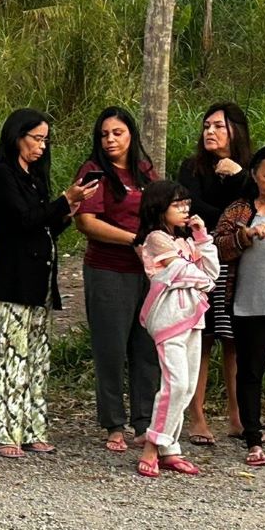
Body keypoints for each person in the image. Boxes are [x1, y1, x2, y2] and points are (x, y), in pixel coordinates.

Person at [0, 109, 97, 459]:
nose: (42, 146)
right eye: (37, 138)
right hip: (14, 280)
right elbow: (20, 221)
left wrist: (67, 212)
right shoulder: (1, 175)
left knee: (36, 358)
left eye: (46, 140)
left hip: (41, 282)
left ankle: (33, 428)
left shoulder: (35, 176)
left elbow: (43, 227)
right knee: (11, 358)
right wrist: (64, 200)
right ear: (18, 136)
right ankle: (7, 431)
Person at [74, 106, 159, 453]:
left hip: (149, 273)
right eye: (104, 134)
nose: (110, 140)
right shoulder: (94, 172)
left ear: (131, 135)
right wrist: (133, 240)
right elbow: (87, 222)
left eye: (117, 133)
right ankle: (113, 424)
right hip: (108, 270)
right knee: (110, 348)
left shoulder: (144, 171)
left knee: (146, 347)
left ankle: (145, 421)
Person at [177, 103, 253, 445]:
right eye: (207, 125)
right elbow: (191, 207)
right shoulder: (191, 168)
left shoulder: (249, 170)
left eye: (219, 126)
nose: (210, 132)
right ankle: (197, 416)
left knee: (234, 341)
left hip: (239, 264)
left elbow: (254, 208)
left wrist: (238, 175)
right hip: (200, 260)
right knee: (202, 339)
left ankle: (237, 417)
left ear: (235, 131)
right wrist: (228, 217)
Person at [133, 180, 219, 478]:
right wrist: (203, 281)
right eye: (177, 205)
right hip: (170, 318)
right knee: (176, 383)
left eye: (186, 204)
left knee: (188, 385)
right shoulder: (156, 238)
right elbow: (180, 271)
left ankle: (170, 448)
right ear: (160, 208)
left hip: (193, 316)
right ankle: (152, 444)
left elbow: (211, 271)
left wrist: (202, 236)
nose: (185, 210)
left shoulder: (185, 241)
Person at [213, 143, 265, 468]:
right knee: (250, 372)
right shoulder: (238, 210)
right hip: (250, 303)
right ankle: (253, 439)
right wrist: (247, 236)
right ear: (254, 175)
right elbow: (218, 248)